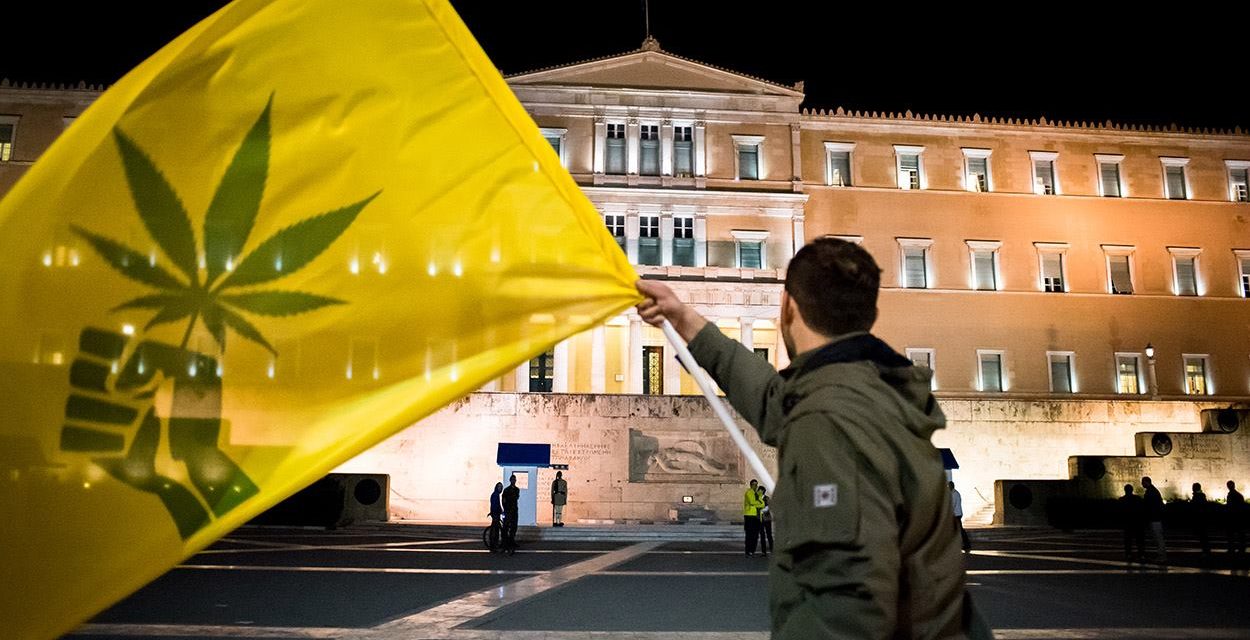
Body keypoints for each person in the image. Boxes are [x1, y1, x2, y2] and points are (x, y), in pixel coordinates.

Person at [637, 237, 988, 638]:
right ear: (869, 314)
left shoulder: (828, 421)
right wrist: (683, 318)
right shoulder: (867, 389)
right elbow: (772, 398)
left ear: (787, 306)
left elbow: (846, 602)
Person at [1142, 476, 1167, 565]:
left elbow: (1148, 505)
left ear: (1147, 482)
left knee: (1158, 538)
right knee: (1158, 537)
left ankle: (1162, 556)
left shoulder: (1151, 492)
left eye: (1143, 482)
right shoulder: (1153, 491)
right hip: (1156, 517)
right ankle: (1161, 555)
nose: (1142, 484)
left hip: (1155, 518)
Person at [1117, 484, 1145, 562]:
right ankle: (1141, 555)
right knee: (1139, 540)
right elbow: (1142, 509)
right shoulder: (1137, 498)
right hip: (1137, 522)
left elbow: (1119, 512)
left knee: (1128, 540)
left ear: (1125, 490)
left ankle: (1128, 554)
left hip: (1127, 523)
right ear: (1132, 490)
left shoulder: (1122, 500)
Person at [743, 479, 764, 557]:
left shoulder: (757, 494)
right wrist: (759, 503)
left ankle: (752, 551)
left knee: (755, 535)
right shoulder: (749, 492)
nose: (755, 486)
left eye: (756, 484)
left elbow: (763, 504)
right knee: (749, 535)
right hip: (749, 515)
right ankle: (748, 551)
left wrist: (759, 499)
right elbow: (752, 502)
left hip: (757, 516)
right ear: (751, 485)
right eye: (754, 484)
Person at [501, 474, 520, 554]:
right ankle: (505, 543)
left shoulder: (517, 489)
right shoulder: (506, 490)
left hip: (514, 510)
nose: (513, 481)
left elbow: (516, 497)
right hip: (508, 510)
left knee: (514, 527)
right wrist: (505, 509)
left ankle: (512, 541)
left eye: (514, 480)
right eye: (512, 480)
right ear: (510, 480)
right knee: (506, 527)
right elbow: (504, 500)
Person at [950, 481, 972, 552]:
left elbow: (952, 505)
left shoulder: (954, 494)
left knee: (960, 530)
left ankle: (966, 544)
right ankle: (963, 544)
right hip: (957, 514)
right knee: (958, 530)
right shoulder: (955, 493)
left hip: (956, 514)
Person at [1227, 480, 1246, 561]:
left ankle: (1233, 549)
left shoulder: (1232, 495)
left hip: (1233, 517)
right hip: (1237, 517)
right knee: (1239, 534)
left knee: (1232, 534)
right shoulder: (1238, 495)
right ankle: (1241, 548)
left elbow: (1230, 507)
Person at [1191, 482, 1210, 559]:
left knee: (1203, 537)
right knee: (1203, 536)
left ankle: (1206, 551)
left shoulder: (1197, 497)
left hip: (1200, 519)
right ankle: (1206, 550)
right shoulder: (1201, 496)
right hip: (1202, 519)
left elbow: (1196, 508)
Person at [488, 481, 504, 552]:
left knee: (495, 529)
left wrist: (501, 511)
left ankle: (494, 544)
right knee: (495, 530)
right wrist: (499, 511)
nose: (500, 488)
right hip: (495, 514)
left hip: (496, 513)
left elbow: (497, 505)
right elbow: (495, 505)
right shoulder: (495, 495)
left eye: (501, 487)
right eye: (499, 487)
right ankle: (493, 544)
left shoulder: (496, 494)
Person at [758, 486, 774, 557]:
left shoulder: (767, 498)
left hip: (767, 519)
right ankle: (763, 552)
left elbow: (768, 508)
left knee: (769, 535)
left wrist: (761, 510)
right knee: (762, 535)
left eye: (760, 490)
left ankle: (772, 550)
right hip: (760, 520)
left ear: (763, 491)